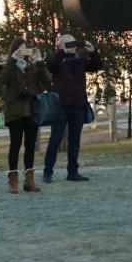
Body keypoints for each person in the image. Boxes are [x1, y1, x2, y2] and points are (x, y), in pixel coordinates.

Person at [43, 34, 102, 183]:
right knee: (55, 140)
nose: (72, 46)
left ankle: (73, 172)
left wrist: (92, 51)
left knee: (74, 142)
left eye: (73, 43)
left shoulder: (79, 61)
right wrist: (63, 52)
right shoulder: (57, 60)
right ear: (60, 45)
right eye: (68, 44)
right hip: (61, 108)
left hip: (78, 107)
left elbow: (96, 66)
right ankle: (47, 172)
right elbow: (51, 67)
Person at [0, 38, 51, 194]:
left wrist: (40, 61)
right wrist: (13, 60)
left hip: (32, 111)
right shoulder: (10, 66)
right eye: (19, 50)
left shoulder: (33, 66)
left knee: (30, 146)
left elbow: (47, 81)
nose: (23, 53)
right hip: (14, 112)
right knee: (15, 145)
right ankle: (13, 181)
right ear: (14, 51)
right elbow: (1, 80)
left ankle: (29, 180)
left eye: (25, 49)